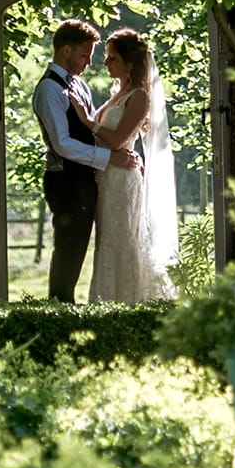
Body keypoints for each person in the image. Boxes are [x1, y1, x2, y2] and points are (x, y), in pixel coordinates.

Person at [34, 19, 141, 302]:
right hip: (65, 181)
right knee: (68, 252)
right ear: (65, 50)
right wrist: (110, 158)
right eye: (84, 55)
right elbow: (63, 143)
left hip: (87, 180)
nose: (88, 63)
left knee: (82, 249)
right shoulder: (49, 90)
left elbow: (93, 129)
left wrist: (121, 151)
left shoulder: (79, 85)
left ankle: (69, 307)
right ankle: (59, 309)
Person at [84, 27, 179, 303]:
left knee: (122, 240)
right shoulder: (117, 93)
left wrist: (86, 119)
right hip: (106, 176)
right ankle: (106, 303)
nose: (106, 63)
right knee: (107, 241)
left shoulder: (139, 96)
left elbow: (116, 140)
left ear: (129, 62)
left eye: (112, 58)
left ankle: (128, 301)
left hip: (122, 180)